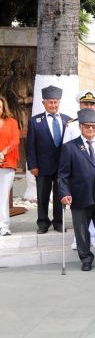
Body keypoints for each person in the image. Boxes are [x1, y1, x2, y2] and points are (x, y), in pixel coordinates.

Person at [57, 109, 95, 271]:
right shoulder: (70, 147)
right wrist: (64, 193)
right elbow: (63, 174)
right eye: (87, 126)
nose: (90, 129)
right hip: (80, 195)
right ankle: (86, 259)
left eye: (93, 126)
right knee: (81, 230)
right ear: (80, 127)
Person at [27, 85, 71, 234]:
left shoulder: (67, 120)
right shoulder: (35, 121)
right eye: (50, 102)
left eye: (55, 102)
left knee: (60, 195)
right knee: (42, 196)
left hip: (62, 166)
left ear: (59, 102)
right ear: (44, 103)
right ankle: (43, 223)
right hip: (42, 166)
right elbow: (30, 146)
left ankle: (59, 222)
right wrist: (32, 165)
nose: (53, 105)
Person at [0, 95, 20, 236]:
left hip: (7, 163)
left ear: (3, 108)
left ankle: (4, 226)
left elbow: (15, 141)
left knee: (3, 196)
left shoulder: (12, 122)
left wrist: (3, 153)